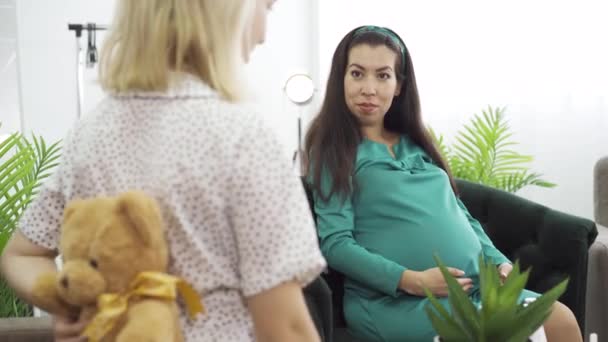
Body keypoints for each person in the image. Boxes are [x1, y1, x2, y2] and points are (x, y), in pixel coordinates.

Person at [0, 0, 327, 341]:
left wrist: (67, 302)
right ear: (228, 11)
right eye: (266, 9)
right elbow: (286, 328)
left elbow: (21, 254)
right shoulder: (243, 138)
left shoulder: (89, 134)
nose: (262, 34)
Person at [304, 25, 582, 342]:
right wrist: (411, 280)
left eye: (382, 75)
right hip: (398, 302)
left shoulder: (417, 143)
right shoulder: (333, 152)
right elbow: (336, 244)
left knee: (561, 319)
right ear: (340, 79)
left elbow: (461, 214)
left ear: (398, 86)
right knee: (497, 331)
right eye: (357, 74)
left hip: (474, 289)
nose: (369, 88)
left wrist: (499, 262)